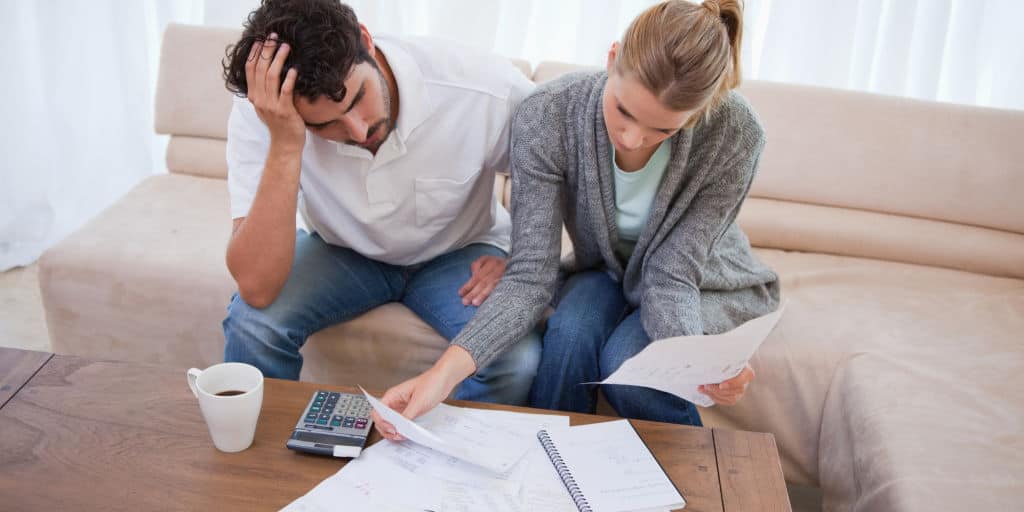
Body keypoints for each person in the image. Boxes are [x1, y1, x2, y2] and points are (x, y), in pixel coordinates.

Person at [374, 0, 779, 437]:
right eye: (623, 111)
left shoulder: (736, 133)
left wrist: (697, 362)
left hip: (701, 284)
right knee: (568, 335)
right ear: (611, 58)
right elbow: (531, 277)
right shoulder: (548, 114)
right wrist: (440, 377)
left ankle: (701, 487)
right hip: (604, 271)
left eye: (663, 130)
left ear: (697, 113)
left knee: (627, 364)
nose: (632, 138)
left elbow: (671, 274)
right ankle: (552, 474)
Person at [220, 0, 541, 406]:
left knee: (514, 357)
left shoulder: (482, 88)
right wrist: (286, 143)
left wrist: (523, 257)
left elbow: (569, 171)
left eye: (357, 98)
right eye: (324, 124)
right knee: (252, 326)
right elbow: (257, 287)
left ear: (367, 42)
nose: (358, 129)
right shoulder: (265, 112)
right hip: (342, 253)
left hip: (460, 253)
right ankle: (266, 468)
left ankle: (454, 465)